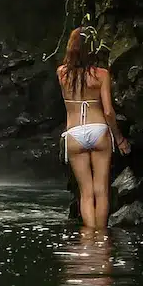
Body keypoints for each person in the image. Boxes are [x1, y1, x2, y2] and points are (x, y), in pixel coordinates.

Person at [57, 28, 130, 231]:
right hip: (98, 130)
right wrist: (120, 138)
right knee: (101, 191)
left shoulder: (62, 73)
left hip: (74, 133)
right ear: (92, 49)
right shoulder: (102, 75)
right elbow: (108, 111)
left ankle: (89, 237)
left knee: (85, 192)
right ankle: (101, 238)